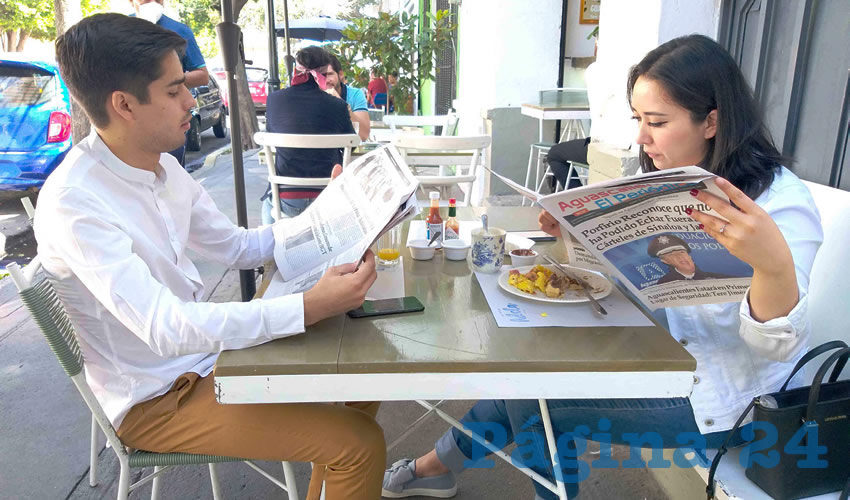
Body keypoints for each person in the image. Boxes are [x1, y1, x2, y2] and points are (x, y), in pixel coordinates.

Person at [382, 34, 823, 500]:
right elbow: (636, 283)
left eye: (657, 121)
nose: (641, 137)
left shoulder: (779, 205)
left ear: (711, 121)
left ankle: (437, 467)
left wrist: (772, 267)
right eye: (638, 119)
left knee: (532, 400)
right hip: (659, 361)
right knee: (526, 379)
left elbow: (778, 349)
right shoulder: (659, 181)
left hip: (723, 400)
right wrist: (575, 234)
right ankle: (436, 468)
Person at [41, 15, 383, 500]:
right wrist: (307, 307)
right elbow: (166, 327)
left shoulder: (158, 166)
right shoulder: (76, 203)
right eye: (175, 89)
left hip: (207, 359)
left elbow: (238, 246)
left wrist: (331, 216)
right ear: (123, 105)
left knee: (362, 376)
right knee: (359, 443)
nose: (193, 100)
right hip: (159, 399)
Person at [262, 46, 356, 223]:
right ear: (325, 70)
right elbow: (352, 143)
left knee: (268, 205)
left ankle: (273, 248)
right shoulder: (337, 105)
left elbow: (272, 133)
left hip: (287, 199)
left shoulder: (274, 100)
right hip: (328, 198)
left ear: (295, 70)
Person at [129, 0, 209, 166]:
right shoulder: (120, 32)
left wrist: (168, 81)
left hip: (170, 119)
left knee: (171, 173)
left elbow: (202, 75)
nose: (152, 2)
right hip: (133, 120)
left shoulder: (179, 31)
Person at [647, 234, 736, 284]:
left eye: (681, 252)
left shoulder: (718, 278)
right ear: (664, 261)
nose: (679, 256)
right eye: (671, 255)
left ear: (689, 255)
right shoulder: (665, 283)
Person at [323, 54, 371, 141]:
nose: (326, 80)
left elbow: (363, 135)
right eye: (322, 76)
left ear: (340, 74)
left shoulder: (355, 94)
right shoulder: (314, 95)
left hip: (349, 151)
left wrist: (341, 104)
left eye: (329, 74)